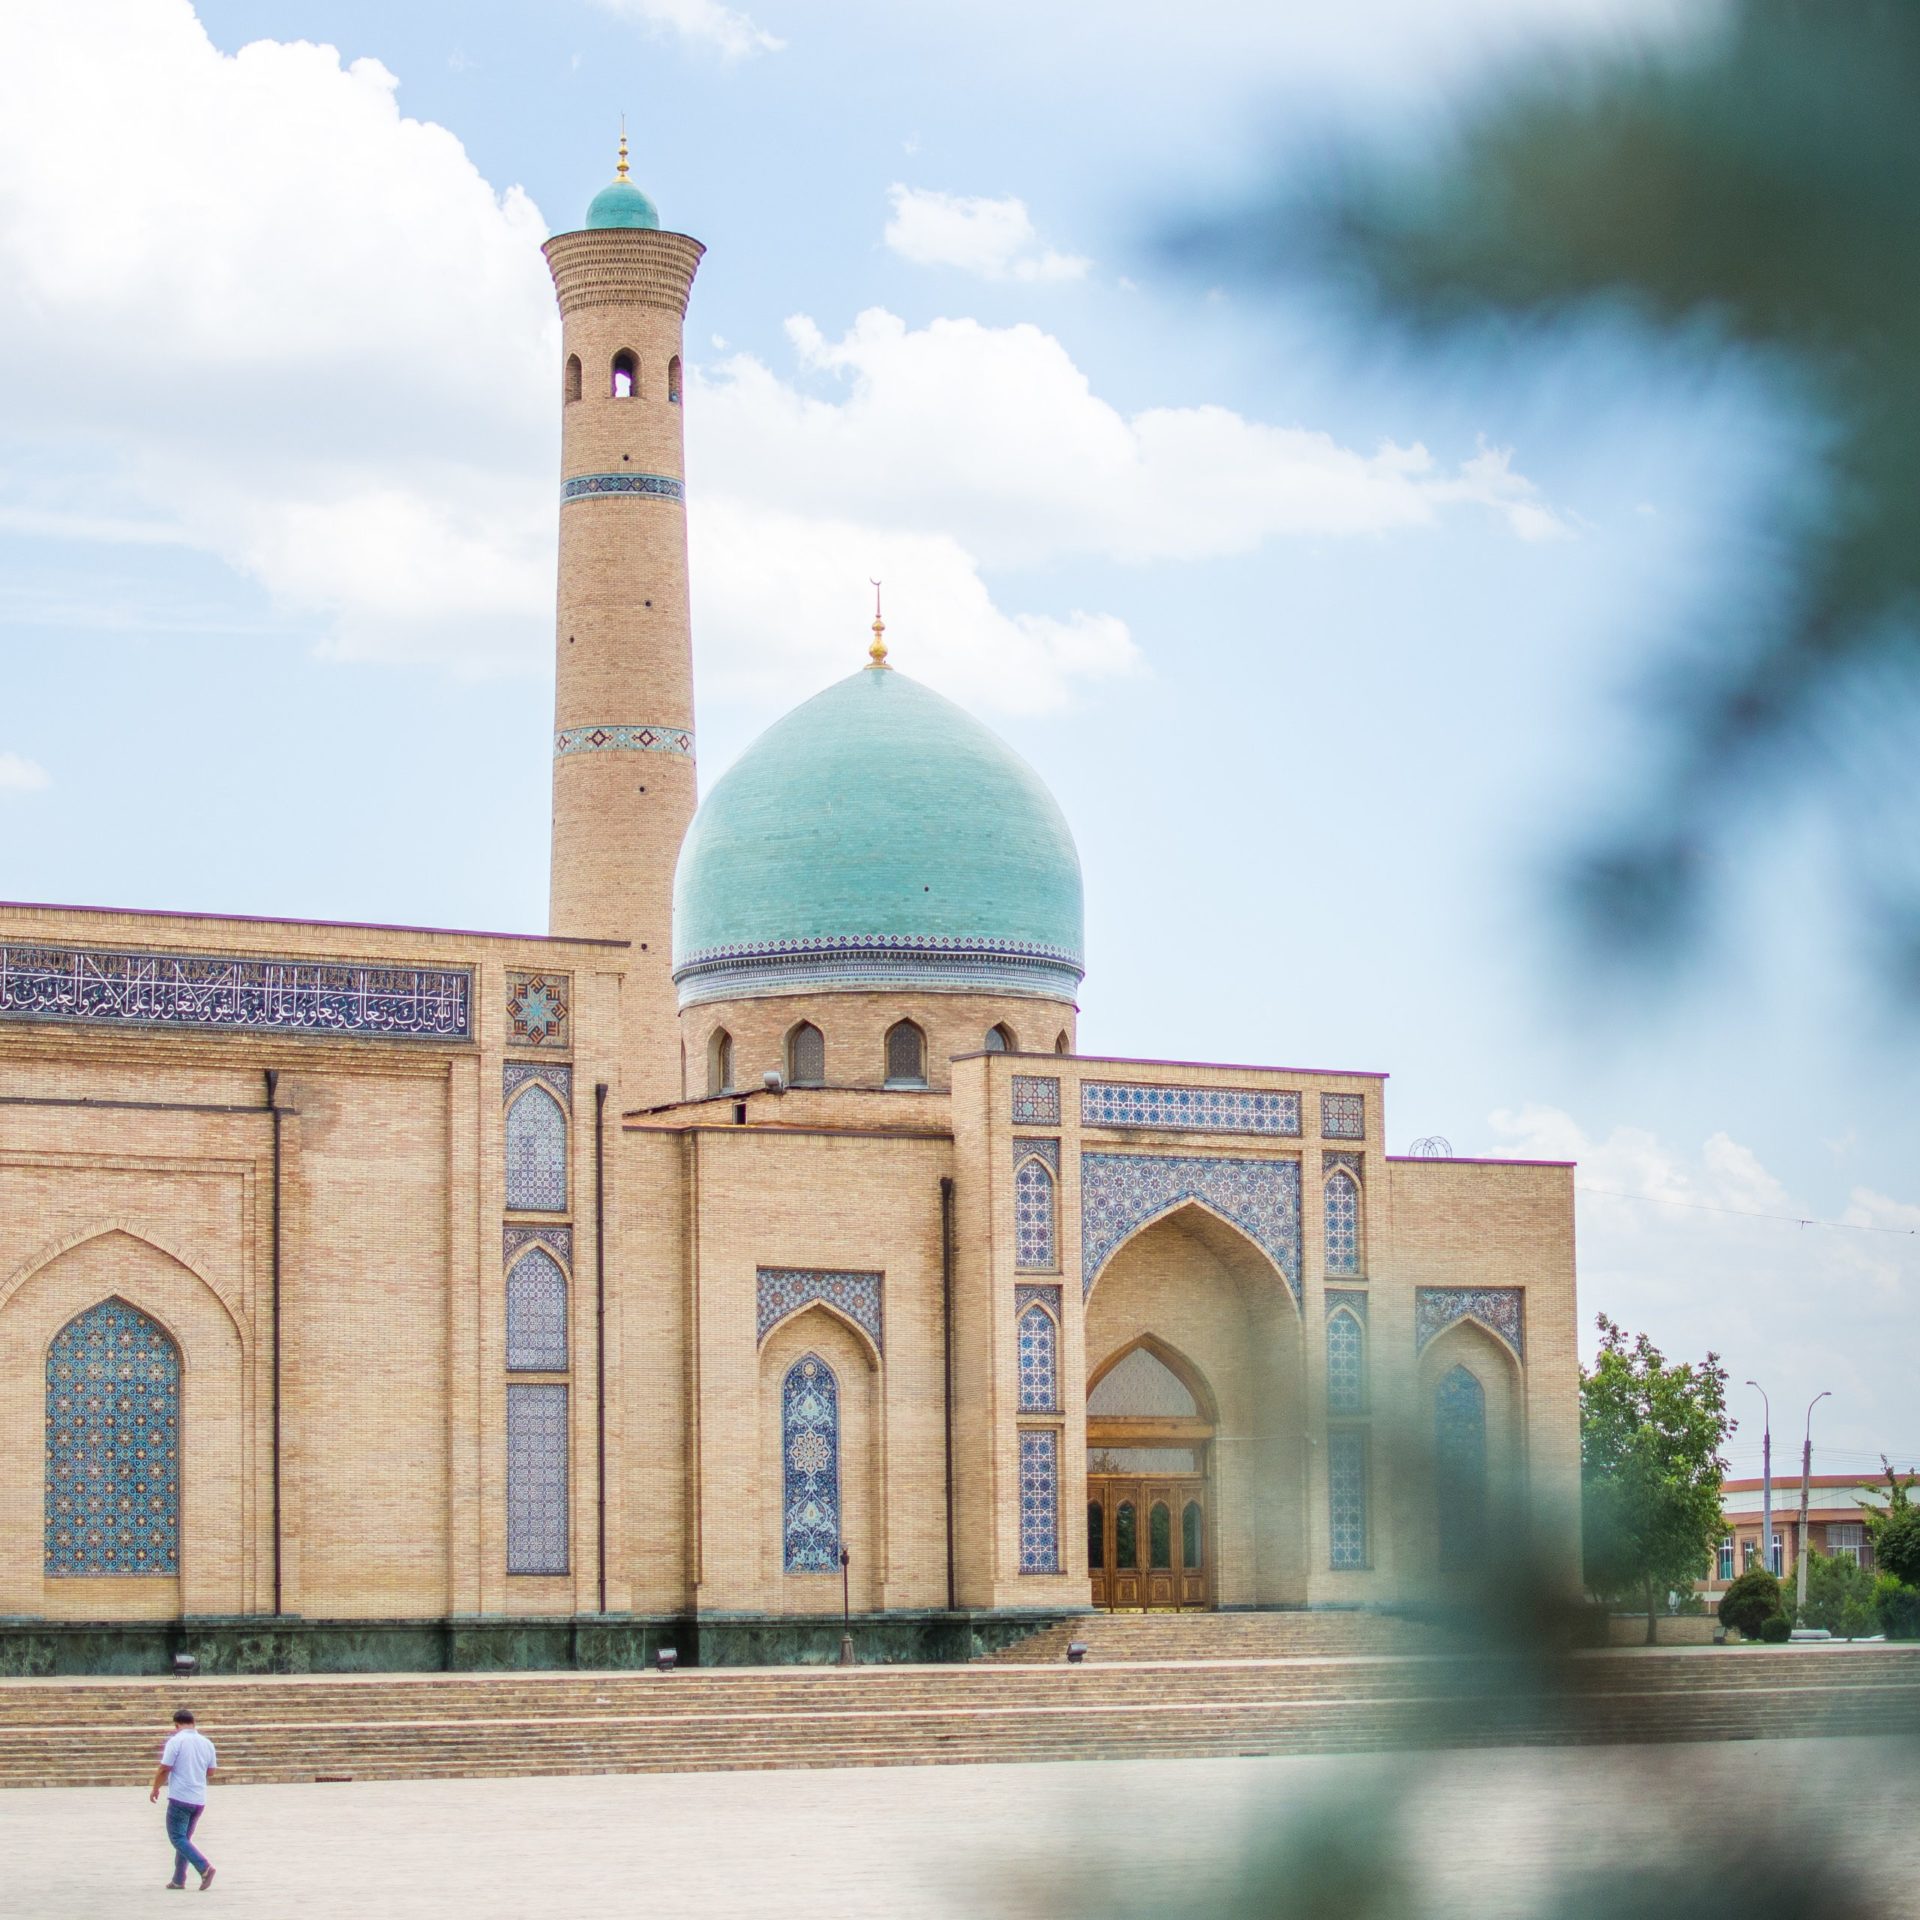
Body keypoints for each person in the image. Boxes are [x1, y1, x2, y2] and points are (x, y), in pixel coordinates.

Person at [149, 1707, 217, 1891]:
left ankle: (204, 1867)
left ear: (177, 1725)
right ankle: (178, 1880)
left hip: (180, 1797)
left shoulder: (176, 1741)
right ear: (194, 1723)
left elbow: (164, 1768)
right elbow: (211, 1771)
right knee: (184, 1839)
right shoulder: (207, 1743)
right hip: (198, 1798)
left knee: (177, 1838)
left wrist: (155, 1788)